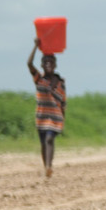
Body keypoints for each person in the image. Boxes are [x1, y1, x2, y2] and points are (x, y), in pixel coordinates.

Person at [27, 39, 66, 177]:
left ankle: (49, 165)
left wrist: (64, 120)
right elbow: (29, 63)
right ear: (42, 65)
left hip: (55, 117)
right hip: (41, 116)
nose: (48, 64)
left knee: (49, 139)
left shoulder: (60, 82)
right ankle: (46, 168)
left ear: (55, 65)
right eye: (45, 62)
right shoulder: (39, 79)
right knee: (43, 143)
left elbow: (63, 102)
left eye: (51, 62)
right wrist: (36, 46)